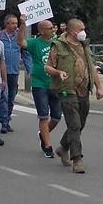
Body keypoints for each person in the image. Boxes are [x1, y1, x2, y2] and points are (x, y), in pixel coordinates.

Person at [45, 18, 103, 174]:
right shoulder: (58, 46)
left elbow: (91, 68)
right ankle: (77, 159)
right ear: (72, 31)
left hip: (84, 90)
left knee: (81, 122)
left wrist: (99, 87)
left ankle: (64, 147)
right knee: (74, 124)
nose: (84, 31)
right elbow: (48, 67)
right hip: (66, 90)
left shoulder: (84, 46)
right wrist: (58, 72)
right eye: (81, 29)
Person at [20, 17, 62, 158]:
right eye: (50, 28)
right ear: (42, 31)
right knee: (43, 116)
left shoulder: (57, 43)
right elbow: (21, 42)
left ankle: (43, 134)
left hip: (55, 84)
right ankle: (48, 145)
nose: (53, 30)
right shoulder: (35, 43)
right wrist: (22, 25)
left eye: (53, 27)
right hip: (39, 83)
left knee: (56, 117)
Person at [0, 13, 25, 134]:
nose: (15, 25)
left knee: (11, 97)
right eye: (13, 23)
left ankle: (6, 119)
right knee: (4, 97)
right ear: (6, 24)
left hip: (14, 71)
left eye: (16, 23)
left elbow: (22, 43)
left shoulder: (18, 36)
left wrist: (23, 23)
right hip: (2, 71)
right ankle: (4, 122)